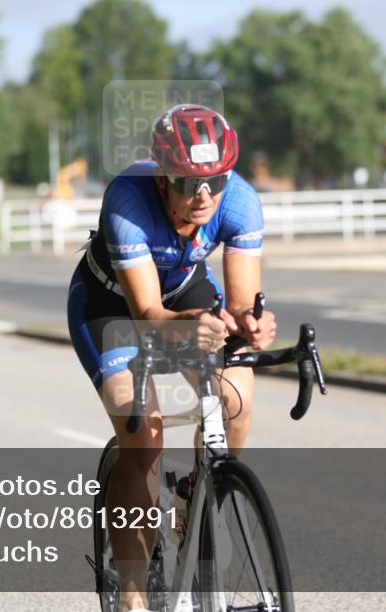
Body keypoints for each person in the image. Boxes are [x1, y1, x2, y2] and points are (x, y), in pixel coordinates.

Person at [66, 104, 277, 612]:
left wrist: (252, 325)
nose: (203, 195)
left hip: (183, 294)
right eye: (187, 182)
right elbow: (145, 313)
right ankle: (134, 597)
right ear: (163, 180)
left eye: (216, 180)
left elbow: (244, 302)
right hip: (110, 307)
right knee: (143, 439)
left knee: (237, 402)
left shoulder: (241, 202)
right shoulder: (128, 203)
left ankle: (195, 500)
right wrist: (194, 328)